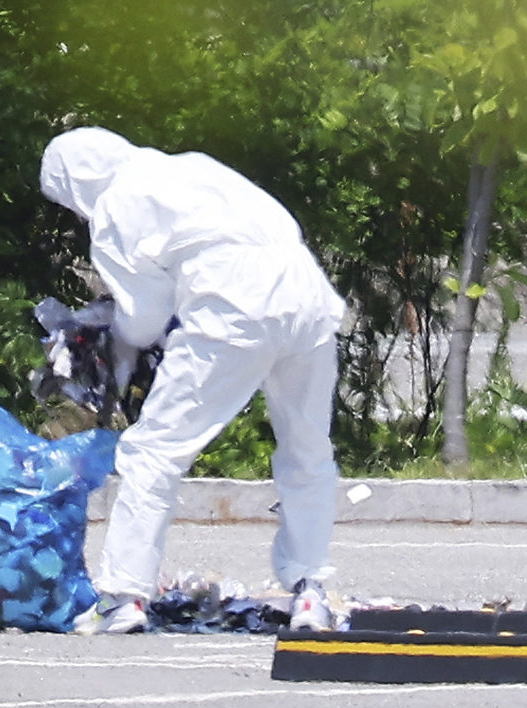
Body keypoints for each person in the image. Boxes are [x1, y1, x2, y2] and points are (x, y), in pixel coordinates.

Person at [38, 126, 347, 634]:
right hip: (308, 299)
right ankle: (311, 592)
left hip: (233, 308)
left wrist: (108, 331)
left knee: (153, 451)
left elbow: (143, 320)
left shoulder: (116, 205)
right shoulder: (194, 166)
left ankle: (123, 595)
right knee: (308, 450)